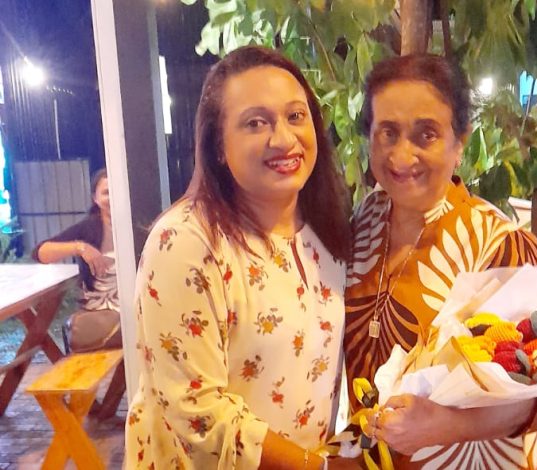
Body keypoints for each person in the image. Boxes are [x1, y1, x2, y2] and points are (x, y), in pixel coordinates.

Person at [125, 46, 359, 469]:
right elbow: (197, 412)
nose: (283, 139)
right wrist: (318, 467)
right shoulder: (186, 242)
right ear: (218, 145)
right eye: (255, 123)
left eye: (295, 116)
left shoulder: (327, 230)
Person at [344, 54, 537, 468]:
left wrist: (449, 426)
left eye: (425, 135)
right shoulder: (364, 221)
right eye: (388, 133)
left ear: (459, 141)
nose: (402, 155)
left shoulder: (503, 247)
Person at [33, 169, 120, 342]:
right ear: (95, 198)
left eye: (117, 191)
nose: (112, 197)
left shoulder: (137, 224)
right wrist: (80, 247)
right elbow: (41, 253)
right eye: (106, 193)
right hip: (98, 312)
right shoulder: (87, 228)